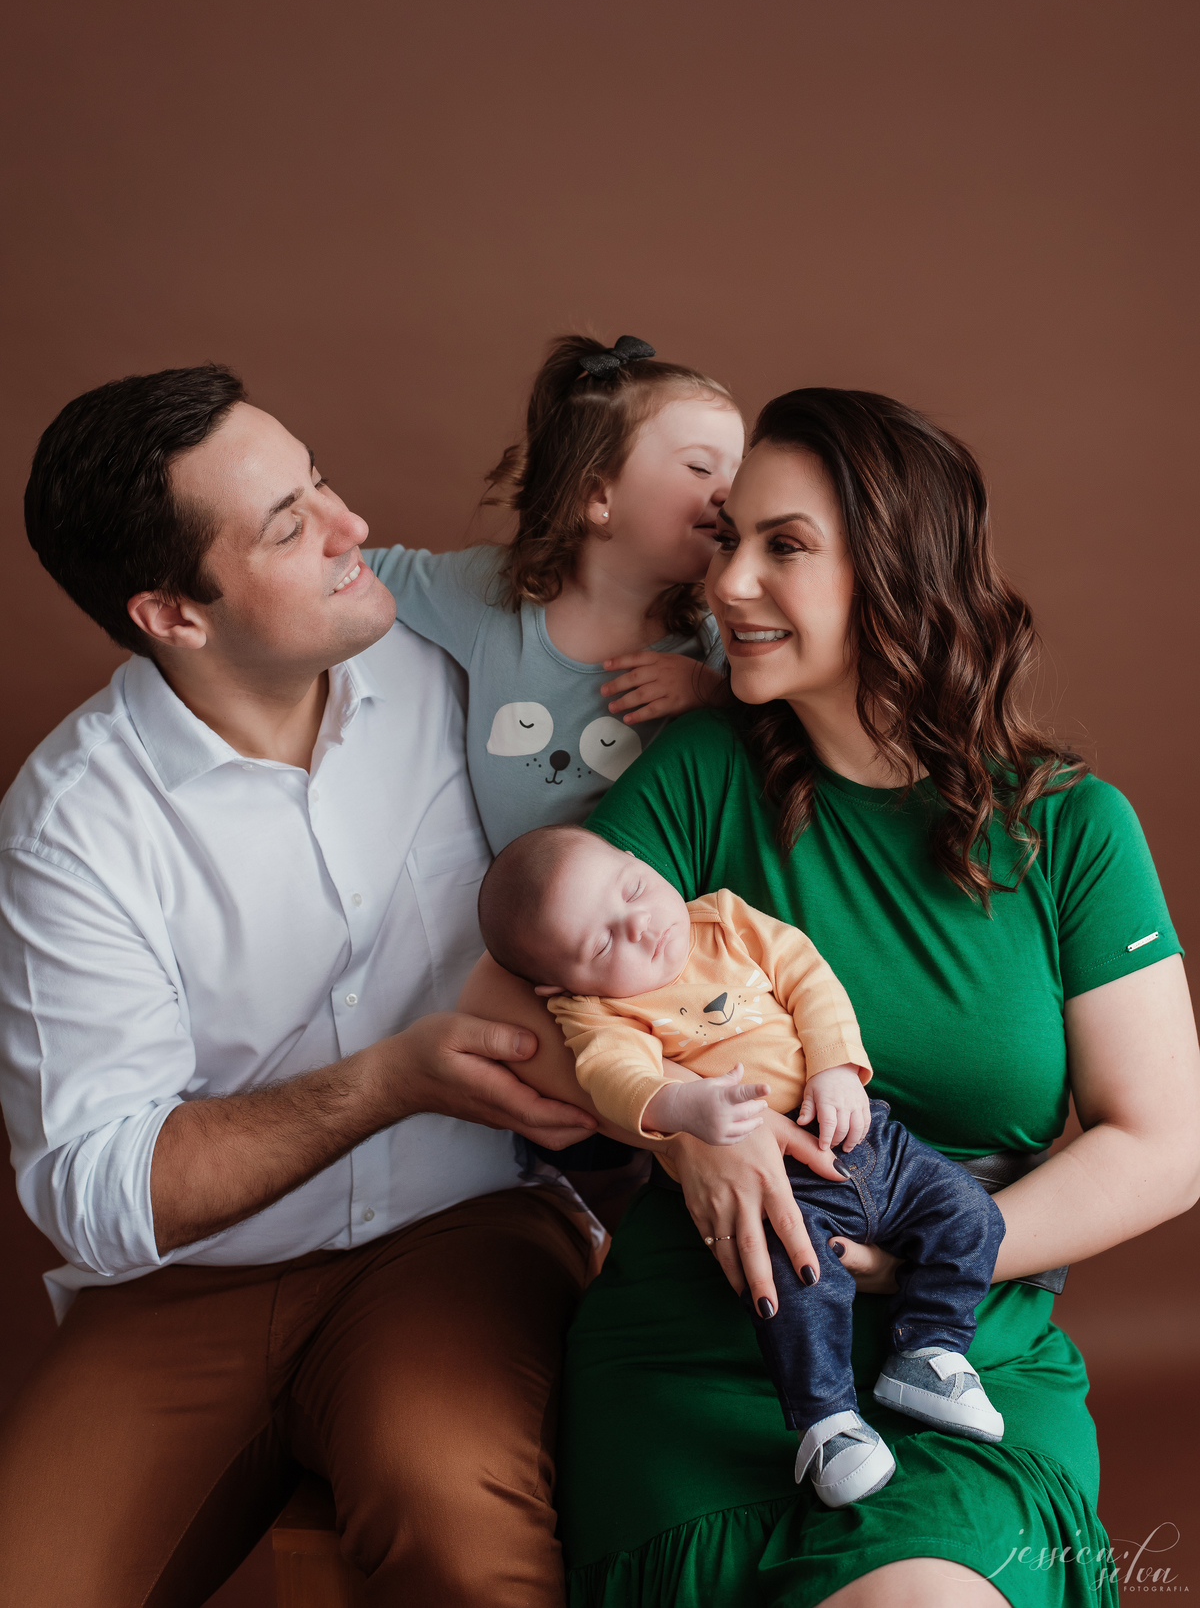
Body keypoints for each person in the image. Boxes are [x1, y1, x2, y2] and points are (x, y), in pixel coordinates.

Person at [456, 388, 1200, 1607]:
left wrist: (927, 1255)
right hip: (712, 1343)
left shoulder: (1070, 829)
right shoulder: (702, 774)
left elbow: (1165, 1145)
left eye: (784, 546)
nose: (727, 583)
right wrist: (690, 1137)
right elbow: (506, 995)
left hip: (966, 1350)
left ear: (900, 574)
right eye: (727, 540)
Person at [0, 363, 605, 1608]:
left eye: (319, 481)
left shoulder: (470, 678)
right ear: (172, 613)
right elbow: (96, 1186)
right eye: (289, 525)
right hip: (183, 1294)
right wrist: (387, 1083)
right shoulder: (72, 824)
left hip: (464, 1236)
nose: (353, 525)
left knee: (465, 1543)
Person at [477, 825, 1008, 1509]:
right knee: (800, 1286)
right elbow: (611, 1076)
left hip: (858, 1131)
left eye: (633, 890)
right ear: (561, 983)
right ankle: (828, 1424)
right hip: (778, 1186)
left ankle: (929, 1349)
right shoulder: (596, 1011)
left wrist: (836, 1066)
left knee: (970, 1214)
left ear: (641, 861)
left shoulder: (724, 919)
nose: (639, 927)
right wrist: (683, 1104)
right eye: (602, 945)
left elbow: (807, 977)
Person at [361, 332, 746, 856]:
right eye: (700, 468)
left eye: (738, 474)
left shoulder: (713, 632)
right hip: (516, 891)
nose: (731, 495)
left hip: (657, 892)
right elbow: (361, 571)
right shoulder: (492, 595)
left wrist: (712, 693)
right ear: (598, 495)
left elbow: (783, 744)